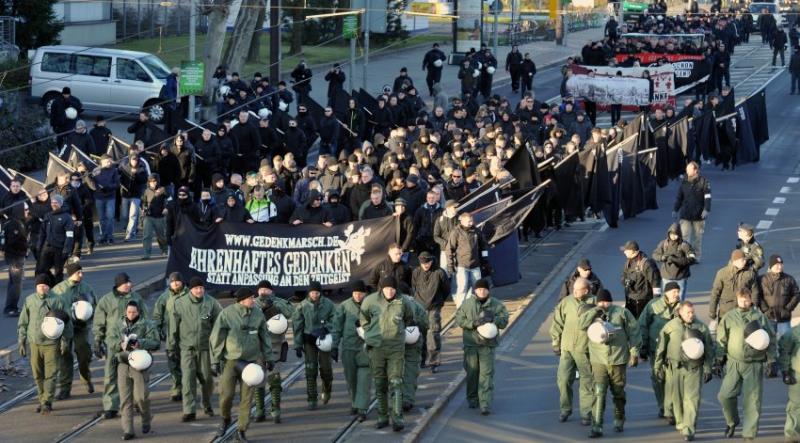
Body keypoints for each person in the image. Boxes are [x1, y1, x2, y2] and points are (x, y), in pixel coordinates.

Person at [211, 287, 273, 443]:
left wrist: (269, 357)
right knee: (226, 395)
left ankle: (241, 430)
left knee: (247, 398)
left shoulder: (258, 314)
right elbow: (216, 337)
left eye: (253, 297)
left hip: (251, 363)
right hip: (232, 361)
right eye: (250, 298)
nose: (253, 300)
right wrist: (215, 360)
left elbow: (264, 335)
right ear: (241, 300)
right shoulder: (227, 314)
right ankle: (225, 418)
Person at [716, 288, 778, 440]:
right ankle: (732, 421)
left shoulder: (759, 317)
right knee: (725, 396)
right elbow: (721, 340)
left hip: (754, 364)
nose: (744, 301)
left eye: (746, 299)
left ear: (751, 300)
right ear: (737, 300)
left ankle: (749, 435)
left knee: (752, 401)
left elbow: (771, 339)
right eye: (741, 299)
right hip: (734, 363)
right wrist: (718, 360)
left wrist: (771, 361)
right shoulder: (729, 317)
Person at [579, 289, 641, 438]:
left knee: (618, 391)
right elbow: (581, 324)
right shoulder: (593, 314)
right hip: (598, 360)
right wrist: (594, 311)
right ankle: (597, 425)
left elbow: (634, 331)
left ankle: (619, 417)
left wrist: (634, 352)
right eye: (600, 301)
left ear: (611, 301)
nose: (603, 304)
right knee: (599, 391)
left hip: (618, 359)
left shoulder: (621, 313)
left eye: (606, 301)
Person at [360, 276, 418, 431]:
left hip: (395, 348)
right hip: (377, 347)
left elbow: (409, 318)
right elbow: (363, 318)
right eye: (387, 288)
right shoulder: (370, 301)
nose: (390, 291)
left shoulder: (403, 301)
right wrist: (369, 333)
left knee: (396, 382)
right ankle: (382, 415)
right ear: (381, 289)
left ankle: (397, 418)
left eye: (392, 288)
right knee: (380, 383)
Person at [653, 301, 714, 441]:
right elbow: (661, 347)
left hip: (694, 368)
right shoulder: (670, 326)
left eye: (692, 312)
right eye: (688, 312)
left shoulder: (701, 327)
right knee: (678, 399)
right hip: (675, 368)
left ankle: (689, 429)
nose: (691, 315)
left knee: (692, 400)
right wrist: (658, 366)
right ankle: (681, 423)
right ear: (680, 312)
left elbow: (710, 349)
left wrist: (708, 368)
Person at [93, 273, 149, 419]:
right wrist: (98, 340)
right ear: (119, 284)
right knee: (110, 375)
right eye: (126, 283)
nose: (129, 285)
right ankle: (110, 406)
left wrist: (145, 338)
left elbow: (145, 319)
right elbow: (99, 321)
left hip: (133, 343)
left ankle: (138, 401)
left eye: (130, 282)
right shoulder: (106, 300)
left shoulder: (136, 298)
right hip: (114, 343)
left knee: (136, 374)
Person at [17, 273, 72, 415]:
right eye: (39, 285)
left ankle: (47, 401)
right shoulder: (29, 300)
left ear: (49, 287)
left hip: (52, 344)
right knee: (37, 374)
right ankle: (42, 399)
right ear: (36, 287)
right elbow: (23, 322)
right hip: (34, 343)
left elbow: (67, 323)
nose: (42, 287)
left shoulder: (57, 301)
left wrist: (65, 341)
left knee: (51, 374)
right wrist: (21, 340)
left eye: (45, 285)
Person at [170, 277, 222, 422]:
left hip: (206, 349)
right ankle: (189, 410)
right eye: (196, 288)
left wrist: (220, 347)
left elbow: (220, 325)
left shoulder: (211, 303)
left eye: (201, 288)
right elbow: (173, 327)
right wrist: (171, 347)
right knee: (188, 380)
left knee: (207, 380)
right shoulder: (180, 303)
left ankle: (206, 403)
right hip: (187, 348)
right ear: (190, 289)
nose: (199, 290)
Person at [455, 278, 509, 415]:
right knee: (472, 373)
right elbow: (459, 319)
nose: (482, 291)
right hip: (471, 344)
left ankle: (485, 403)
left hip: (488, 345)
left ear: (488, 291)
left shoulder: (496, 304)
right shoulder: (467, 304)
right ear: (475, 290)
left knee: (486, 374)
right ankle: (472, 398)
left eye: (484, 289)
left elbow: (504, 320)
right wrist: (473, 323)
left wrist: (494, 320)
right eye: (479, 289)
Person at [550, 277, 596, 425]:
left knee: (586, 382)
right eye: (573, 289)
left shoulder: (594, 303)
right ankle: (565, 409)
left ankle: (586, 413)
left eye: (578, 290)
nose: (574, 292)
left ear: (586, 291)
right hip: (567, 348)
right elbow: (557, 323)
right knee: (563, 380)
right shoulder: (566, 302)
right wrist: (556, 342)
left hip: (585, 349)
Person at [114, 300, 159, 440]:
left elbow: (156, 343)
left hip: (139, 365)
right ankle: (128, 430)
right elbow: (110, 342)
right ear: (125, 312)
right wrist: (119, 345)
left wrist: (141, 343)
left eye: (134, 312)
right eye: (129, 312)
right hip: (123, 363)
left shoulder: (147, 324)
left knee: (141, 397)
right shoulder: (118, 325)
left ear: (138, 312)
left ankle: (146, 418)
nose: (131, 314)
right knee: (125, 400)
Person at [638, 281, 682, 422]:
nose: (676, 294)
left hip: (675, 351)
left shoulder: (682, 307)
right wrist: (643, 346)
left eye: (678, 291)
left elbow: (692, 325)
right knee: (658, 378)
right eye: (674, 291)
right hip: (655, 348)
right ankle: (663, 405)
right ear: (666, 292)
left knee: (673, 379)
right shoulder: (653, 305)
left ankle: (672, 408)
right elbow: (643, 325)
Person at [51, 263, 95, 399]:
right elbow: (51, 308)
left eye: (82, 272)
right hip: (64, 328)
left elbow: (95, 305)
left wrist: (90, 318)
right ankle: (65, 388)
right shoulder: (58, 290)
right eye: (78, 273)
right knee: (64, 357)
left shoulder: (87, 288)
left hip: (80, 328)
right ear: (70, 274)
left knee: (84, 353)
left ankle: (85, 376)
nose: (81, 275)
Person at [253, 280, 294, 423]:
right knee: (257, 379)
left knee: (274, 379)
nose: (263, 292)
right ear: (257, 291)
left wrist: (274, 304)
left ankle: (276, 409)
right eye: (261, 290)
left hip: (275, 347)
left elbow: (290, 312)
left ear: (271, 291)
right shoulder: (252, 303)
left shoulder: (278, 302)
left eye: (266, 289)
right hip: (257, 348)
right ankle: (259, 410)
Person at [292, 280, 335, 410]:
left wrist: (326, 328)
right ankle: (312, 398)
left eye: (317, 292)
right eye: (312, 292)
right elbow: (297, 326)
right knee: (310, 370)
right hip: (309, 340)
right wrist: (298, 344)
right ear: (309, 293)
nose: (315, 295)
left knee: (326, 369)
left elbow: (335, 319)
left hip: (324, 340)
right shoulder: (302, 306)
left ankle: (326, 390)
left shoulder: (328, 304)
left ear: (320, 293)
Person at [332, 281, 371, 421]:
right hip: (348, 348)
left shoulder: (371, 305)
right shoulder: (344, 306)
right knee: (351, 379)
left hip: (365, 349)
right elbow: (336, 327)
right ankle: (355, 403)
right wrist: (334, 346)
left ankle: (362, 408)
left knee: (364, 380)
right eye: (355, 293)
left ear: (365, 293)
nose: (358, 296)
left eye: (360, 293)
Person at [411, 251, 450, 372]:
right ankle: (422, 359)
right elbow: (414, 287)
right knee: (420, 334)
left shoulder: (439, 272)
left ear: (432, 261)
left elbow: (446, 289)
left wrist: (439, 301)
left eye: (428, 262)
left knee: (433, 333)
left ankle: (434, 361)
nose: (426, 265)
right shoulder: (416, 272)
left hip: (434, 306)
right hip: (420, 308)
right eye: (423, 263)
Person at [152, 272, 187, 402]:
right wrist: (159, 329)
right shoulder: (164, 297)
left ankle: (188, 388)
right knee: (173, 364)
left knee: (188, 364)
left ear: (182, 282)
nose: (175, 283)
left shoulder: (190, 295)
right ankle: (177, 388)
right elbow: (157, 315)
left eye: (177, 281)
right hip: (170, 337)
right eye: (173, 282)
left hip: (187, 336)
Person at [447, 212, 491, 308]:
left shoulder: (477, 231)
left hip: (475, 265)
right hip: (462, 265)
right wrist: (450, 265)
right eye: (468, 221)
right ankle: (461, 309)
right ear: (462, 221)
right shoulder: (456, 232)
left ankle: (477, 307)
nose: (471, 223)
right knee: (462, 288)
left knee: (478, 288)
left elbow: (483, 247)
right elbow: (449, 249)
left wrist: (485, 261)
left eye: (471, 221)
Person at [710, 250, 761, 325]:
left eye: (745, 260)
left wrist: (753, 306)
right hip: (726, 312)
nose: (744, 262)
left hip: (745, 312)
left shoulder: (750, 274)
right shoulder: (722, 273)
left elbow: (755, 292)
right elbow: (715, 293)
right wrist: (712, 311)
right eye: (742, 260)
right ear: (735, 261)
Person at [673, 162, 710, 259]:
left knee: (697, 238)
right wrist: (675, 209)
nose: (687, 171)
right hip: (685, 214)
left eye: (689, 169)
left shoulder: (704, 182)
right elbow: (679, 197)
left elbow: (707, 197)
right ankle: (687, 255)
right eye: (686, 169)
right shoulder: (684, 182)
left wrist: (706, 209)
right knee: (685, 236)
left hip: (699, 215)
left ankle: (696, 256)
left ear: (695, 170)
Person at [758, 254, 800, 339]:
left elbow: (796, 295)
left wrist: (788, 309)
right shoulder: (762, 279)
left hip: (784, 319)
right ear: (771, 266)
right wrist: (765, 310)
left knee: (785, 342)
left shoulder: (789, 279)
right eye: (777, 264)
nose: (779, 266)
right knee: (768, 341)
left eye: (781, 264)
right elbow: (758, 295)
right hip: (768, 318)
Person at [651, 223, 697, 301]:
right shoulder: (664, 244)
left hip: (680, 277)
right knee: (666, 299)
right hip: (667, 276)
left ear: (679, 234)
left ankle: (678, 312)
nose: (673, 236)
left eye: (676, 234)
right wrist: (662, 257)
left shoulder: (684, 245)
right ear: (669, 234)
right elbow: (654, 254)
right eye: (672, 234)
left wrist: (676, 260)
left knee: (679, 298)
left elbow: (692, 259)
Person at [35, 194, 75, 283]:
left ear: (60, 204)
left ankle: (58, 288)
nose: (53, 204)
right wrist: (39, 246)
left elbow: (70, 236)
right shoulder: (47, 215)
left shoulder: (67, 217)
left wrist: (66, 250)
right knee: (41, 269)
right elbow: (42, 232)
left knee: (58, 271)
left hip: (60, 248)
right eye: (52, 202)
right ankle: (49, 285)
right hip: (47, 247)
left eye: (56, 202)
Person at [620, 240, 662, 319]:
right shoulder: (628, 263)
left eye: (626, 250)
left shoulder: (646, 264)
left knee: (642, 324)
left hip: (643, 301)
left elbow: (655, 282)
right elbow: (623, 276)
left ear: (633, 251)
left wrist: (656, 301)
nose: (624, 252)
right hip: (630, 299)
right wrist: (625, 281)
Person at [401, 292, 428, 411]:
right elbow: (424, 324)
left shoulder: (390, 305)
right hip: (414, 341)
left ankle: (398, 398)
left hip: (395, 342)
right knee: (410, 371)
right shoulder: (416, 305)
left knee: (395, 372)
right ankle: (408, 399)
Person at [3, 202, 28, 317]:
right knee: (16, 284)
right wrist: (26, 246)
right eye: (25, 210)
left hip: (14, 257)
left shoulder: (12, 223)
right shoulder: (16, 225)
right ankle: (11, 308)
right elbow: (13, 242)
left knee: (13, 283)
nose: (27, 212)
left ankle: (10, 306)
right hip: (16, 258)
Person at [90, 155, 120, 245]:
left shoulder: (113, 170)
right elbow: (92, 184)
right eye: (107, 161)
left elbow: (117, 184)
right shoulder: (96, 170)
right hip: (99, 197)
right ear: (102, 162)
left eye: (110, 161)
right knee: (102, 218)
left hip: (110, 197)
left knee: (110, 217)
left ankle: (110, 236)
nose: (109, 163)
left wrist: (108, 187)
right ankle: (103, 236)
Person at [779, 321, 800, 442]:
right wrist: (785, 371)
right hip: (798, 374)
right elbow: (785, 351)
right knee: (795, 406)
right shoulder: (794, 332)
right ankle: (791, 435)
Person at [119, 155, 148, 242]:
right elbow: (119, 176)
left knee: (133, 215)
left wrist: (136, 174)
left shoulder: (141, 169)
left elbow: (144, 180)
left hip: (136, 195)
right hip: (125, 194)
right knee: (124, 215)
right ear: (130, 160)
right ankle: (131, 229)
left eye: (136, 160)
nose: (134, 161)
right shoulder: (124, 167)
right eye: (133, 160)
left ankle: (129, 234)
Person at [140, 174, 169, 259]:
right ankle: (146, 254)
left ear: (158, 181)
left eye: (154, 181)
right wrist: (143, 208)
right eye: (151, 181)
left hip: (160, 216)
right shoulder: (146, 191)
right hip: (148, 216)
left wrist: (166, 208)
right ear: (148, 182)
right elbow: (143, 202)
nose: (153, 183)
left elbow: (170, 200)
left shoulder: (163, 190)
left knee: (161, 236)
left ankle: (164, 250)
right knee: (147, 236)